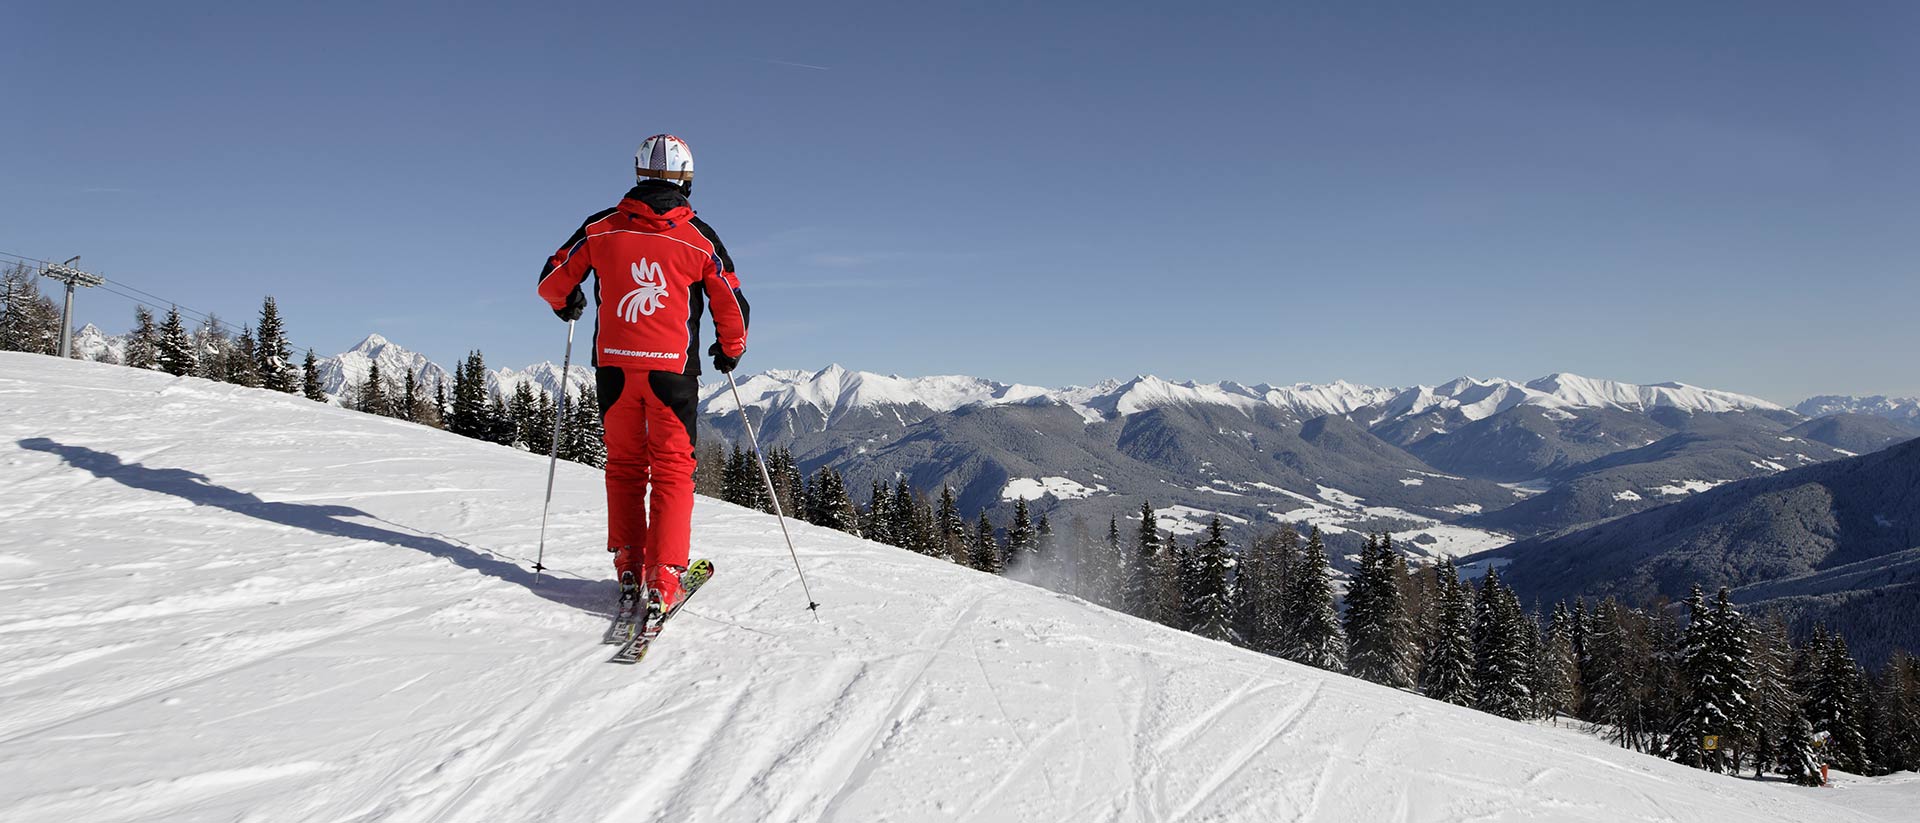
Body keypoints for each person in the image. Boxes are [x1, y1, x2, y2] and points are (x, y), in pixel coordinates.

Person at [536, 133, 748, 619]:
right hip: (672, 373)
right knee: (672, 470)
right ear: (686, 180)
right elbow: (730, 301)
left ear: (637, 177)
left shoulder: (602, 228)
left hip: (613, 368)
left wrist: (568, 302)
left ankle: (630, 564)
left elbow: (551, 281)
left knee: (626, 467)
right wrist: (730, 348)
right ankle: (665, 575)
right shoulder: (698, 237)